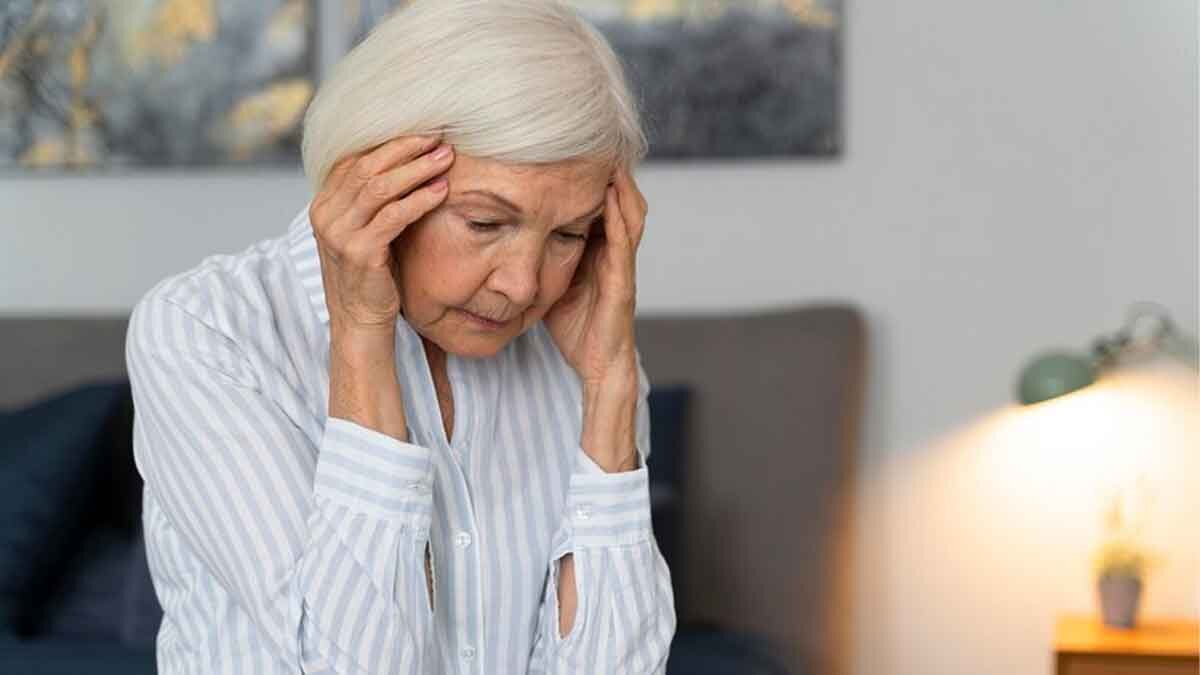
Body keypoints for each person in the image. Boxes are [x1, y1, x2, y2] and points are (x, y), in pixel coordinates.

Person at [124, 0, 676, 673]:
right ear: (369, 176)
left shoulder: (585, 365)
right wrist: (362, 337)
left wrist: (610, 387)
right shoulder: (206, 332)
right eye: (484, 223)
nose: (523, 284)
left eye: (568, 234)